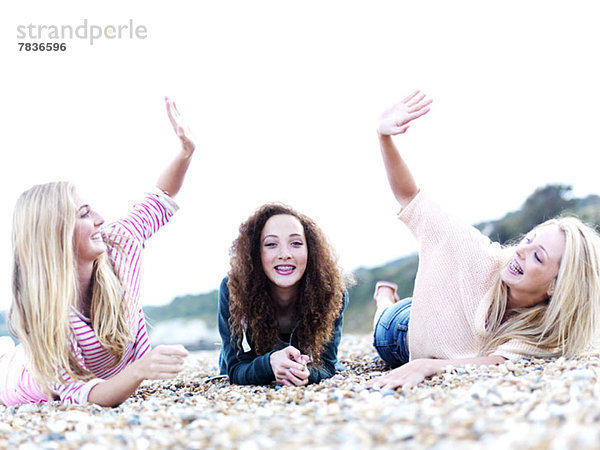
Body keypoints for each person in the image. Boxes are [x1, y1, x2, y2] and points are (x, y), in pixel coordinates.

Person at [367, 91, 600, 390]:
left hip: (437, 325)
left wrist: (427, 366)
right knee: (383, 320)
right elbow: (411, 197)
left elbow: (499, 362)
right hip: (402, 329)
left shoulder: (548, 330)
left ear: (557, 287)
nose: (521, 250)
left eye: (538, 256)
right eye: (528, 239)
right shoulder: (480, 257)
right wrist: (384, 137)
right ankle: (384, 298)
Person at [0, 97, 195, 407]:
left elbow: (161, 197)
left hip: (94, 373)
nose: (100, 219)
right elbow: (84, 396)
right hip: (18, 380)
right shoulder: (47, 313)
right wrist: (138, 371)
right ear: (56, 234)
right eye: (84, 213)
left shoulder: (116, 243)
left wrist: (185, 153)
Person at [218, 203, 349, 386]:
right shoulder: (234, 290)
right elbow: (234, 370)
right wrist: (269, 363)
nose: (285, 254)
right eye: (271, 244)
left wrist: (304, 373)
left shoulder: (330, 293)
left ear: (310, 250)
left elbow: (327, 365)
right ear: (255, 252)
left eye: (296, 243)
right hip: (251, 361)